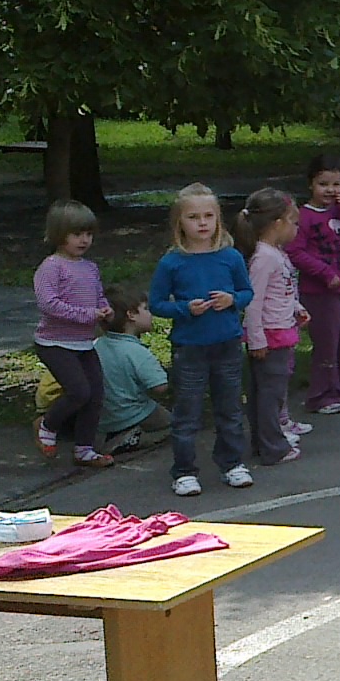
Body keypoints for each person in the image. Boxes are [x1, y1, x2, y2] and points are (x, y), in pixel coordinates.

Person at [149, 183, 256, 495]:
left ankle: (232, 463)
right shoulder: (172, 262)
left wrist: (232, 300)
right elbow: (156, 303)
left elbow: (246, 292)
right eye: (193, 217)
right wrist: (185, 308)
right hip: (190, 347)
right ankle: (184, 471)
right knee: (187, 412)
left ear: (218, 218)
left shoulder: (231, 256)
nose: (202, 223)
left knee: (230, 408)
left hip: (227, 343)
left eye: (208, 216)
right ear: (179, 222)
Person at [32, 199, 115, 467]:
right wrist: (87, 315)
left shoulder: (90, 268)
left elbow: (98, 296)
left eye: (89, 234)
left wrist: (105, 309)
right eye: (77, 234)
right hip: (54, 343)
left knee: (95, 394)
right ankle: (47, 425)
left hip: (83, 342)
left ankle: (84, 448)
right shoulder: (51, 267)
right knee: (79, 391)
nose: (84, 240)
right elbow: (49, 304)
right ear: (59, 234)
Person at [291, 156, 340, 415]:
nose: (330, 190)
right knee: (327, 342)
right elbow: (295, 252)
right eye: (323, 184)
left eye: (336, 184)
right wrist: (324, 273)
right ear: (311, 184)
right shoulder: (303, 217)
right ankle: (323, 394)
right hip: (319, 291)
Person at [238, 188, 310, 466]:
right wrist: (256, 339)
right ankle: (273, 446)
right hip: (270, 336)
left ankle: (265, 442)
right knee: (270, 394)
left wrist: (296, 308)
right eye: (293, 223)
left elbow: (282, 290)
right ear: (277, 223)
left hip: (279, 331)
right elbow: (253, 302)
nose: (296, 229)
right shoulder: (264, 258)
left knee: (269, 392)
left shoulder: (275, 254)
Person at [97, 286, 171, 455]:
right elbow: (160, 387)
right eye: (146, 309)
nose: (150, 314)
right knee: (176, 425)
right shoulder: (136, 352)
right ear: (131, 315)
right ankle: (132, 438)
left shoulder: (97, 345)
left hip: (104, 417)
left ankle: (115, 435)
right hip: (135, 413)